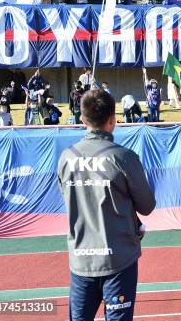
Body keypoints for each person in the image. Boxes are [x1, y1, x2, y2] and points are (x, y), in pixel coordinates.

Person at [57, 90, 156, 321]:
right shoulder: (124, 157)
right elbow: (147, 206)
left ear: (82, 119)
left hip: (81, 259)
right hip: (118, 260)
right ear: (113, 119)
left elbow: (70, 199)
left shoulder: (66, 158)